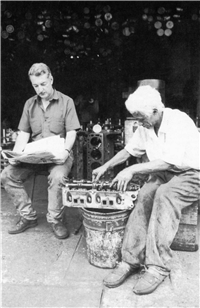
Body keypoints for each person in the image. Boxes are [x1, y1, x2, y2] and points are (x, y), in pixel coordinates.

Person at [92, 85, 200, 295]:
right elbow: (129, 150)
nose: (138, 122)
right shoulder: (146, 125)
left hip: (192, 175)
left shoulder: (179, 121)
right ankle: (130, 260)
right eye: (135, 117)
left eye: (141, 117)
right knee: (145, 194)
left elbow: (170, 162)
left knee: (165, 195)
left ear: (156, 110)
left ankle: (158, 266)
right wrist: (106, 165)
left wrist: (132, 169)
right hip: (166, 174)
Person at [1, 63, 80, 239]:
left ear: (51, 79)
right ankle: (28, 216)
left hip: (59, 154)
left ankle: (55, 220)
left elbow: (72, 132)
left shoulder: (66, 102)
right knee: (7, 175)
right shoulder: (29, 104)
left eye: (43, 84)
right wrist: (16, 154)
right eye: (36, 86)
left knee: (58, 177)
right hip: (35, 156)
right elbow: (23, 133)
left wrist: (66, 152)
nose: (40, 89)